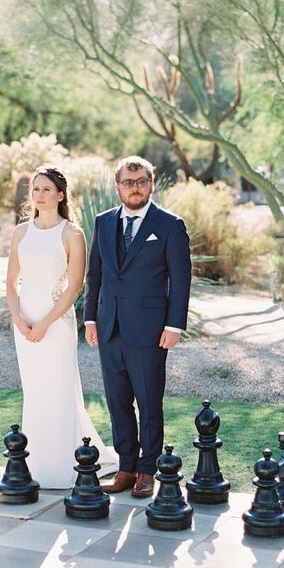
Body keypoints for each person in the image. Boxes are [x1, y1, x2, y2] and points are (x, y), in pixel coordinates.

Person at [84, 155, 191, 498]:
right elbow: (95, 275)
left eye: (141, 181)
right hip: (109, 326)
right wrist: (90, 318)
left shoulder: (170, 224)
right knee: (117, 402)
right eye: (128, 183)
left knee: (148, 401)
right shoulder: (103, 222)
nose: (135, 188)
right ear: (118, 187)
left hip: (150, 329)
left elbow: (181, 279)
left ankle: (148, 470)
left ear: (151, 184)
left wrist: (175, 325)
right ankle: (126, 467)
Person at [6, 166, 115, 488]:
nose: (39, 195)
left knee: (58, 389)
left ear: (60, 194)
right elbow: (11, 283)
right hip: (23, 323)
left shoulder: (72, 234)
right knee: (35, 391)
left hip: (56, 324)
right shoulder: (20, 233)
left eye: (46, 189)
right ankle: (35, 463)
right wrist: (17, 317)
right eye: (35, 189)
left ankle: (66, 465)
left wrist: (45, 324)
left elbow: (74, 287)